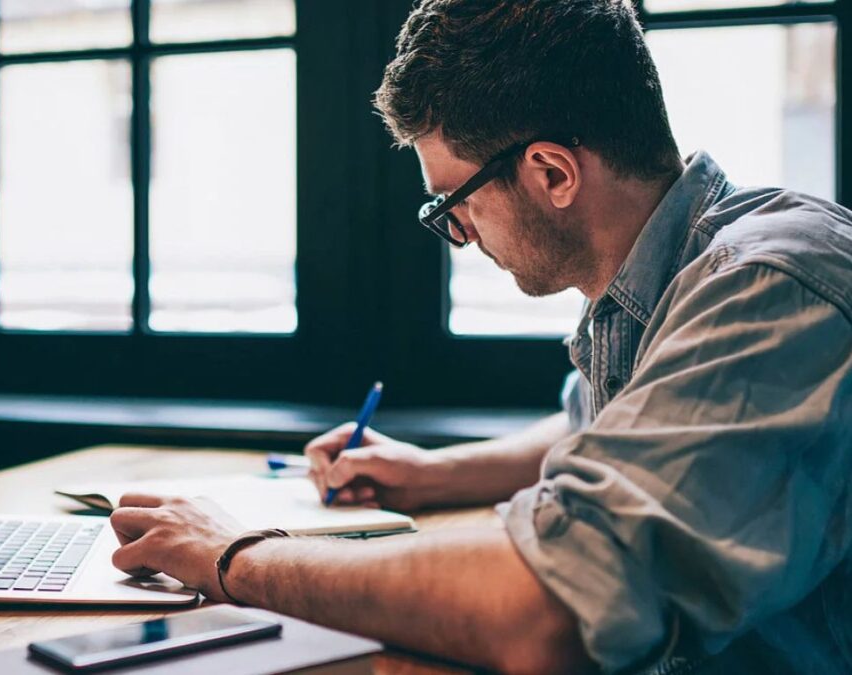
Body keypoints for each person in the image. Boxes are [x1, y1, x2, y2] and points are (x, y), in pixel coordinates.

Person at [108, 1, 852, 672]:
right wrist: (432, 474)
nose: (458, 234)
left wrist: (235, 556)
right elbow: (614, 427)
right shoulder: (672, 270)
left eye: (453, 202)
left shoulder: (772, 288)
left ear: (553, 173)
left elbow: (544, 607)